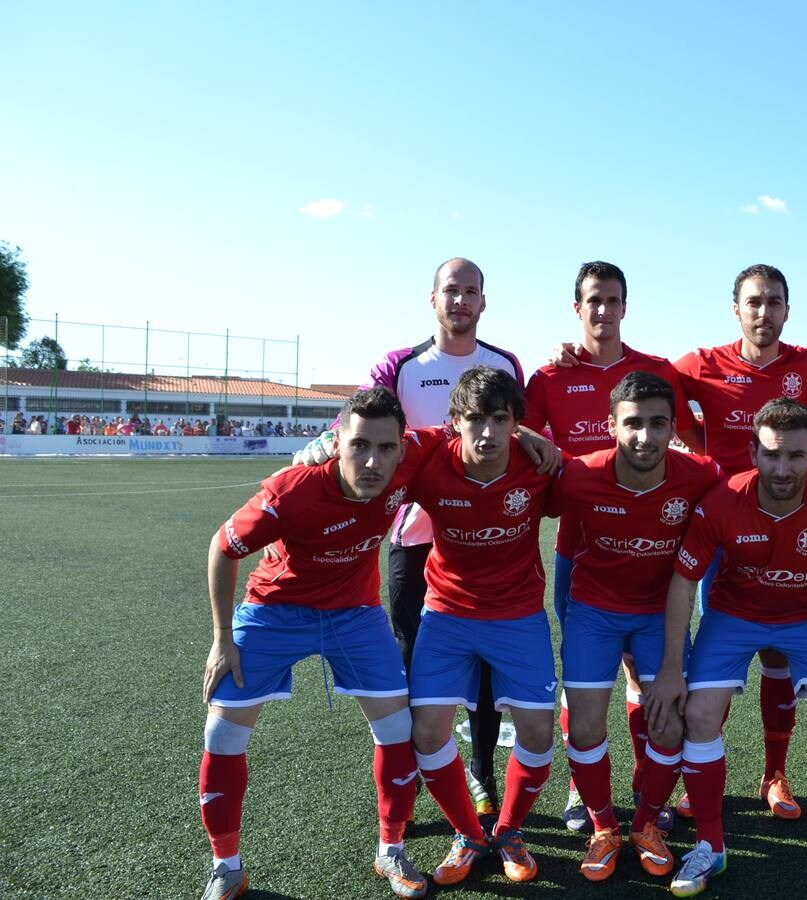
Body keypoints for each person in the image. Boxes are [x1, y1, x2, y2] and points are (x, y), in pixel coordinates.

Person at [297, 256, 558, 816]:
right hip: (414, 534)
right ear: (432, 299)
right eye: (451, 291)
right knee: (414, 657)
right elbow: (356, 421)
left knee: (488, 670)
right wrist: (321, 447)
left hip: (486, 532)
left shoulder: (504, 363)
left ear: (483, 302)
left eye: (471, 292)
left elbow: (519, 421)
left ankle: (484, 774)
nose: (461, 301)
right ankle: (417, 772)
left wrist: (535, 435)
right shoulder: (400, 363)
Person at [197, 387, 429, 900]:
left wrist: (527, 434)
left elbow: (470, 435)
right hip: (274, 613)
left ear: (402, 446)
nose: (373, 461)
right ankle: (226, 867)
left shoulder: (411, 460)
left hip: (356, 614)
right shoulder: (292, 491)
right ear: (336, 441)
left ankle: (391, 850)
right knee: (222, 735)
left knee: (397, 727)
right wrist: (220, 640)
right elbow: (222, 546)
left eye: (386, 448)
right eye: (359, 445)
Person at [646, 398, 807, 900]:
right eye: (772, 454)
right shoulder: (723, 499)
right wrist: (671, 668)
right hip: (734, 616)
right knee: (701, 715)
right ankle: (711, 842)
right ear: (753, 451)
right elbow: (684, 583)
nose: (783, 468)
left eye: (795, 456)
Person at [521, 261, 697, 831]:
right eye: (593, 300)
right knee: (586, 674)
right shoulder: (551, 375)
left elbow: (696, 432)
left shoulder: (656, 371)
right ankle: (581, 790)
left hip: (653, 553)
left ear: (626, 306)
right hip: (581, 551)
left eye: (612, 300)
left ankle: (651, 791)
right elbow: (515, 432)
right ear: (578, 308)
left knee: (645, 677)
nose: (603, 310)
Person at [548, 371, 721, 882]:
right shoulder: (578, 475)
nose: (645, 436)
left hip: (659, 615)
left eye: (657, 424)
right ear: (611, 426)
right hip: (593, 611)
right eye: (633, 424)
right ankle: (604, 826)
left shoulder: (699, 475)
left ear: (673, 428)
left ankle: (646, 824)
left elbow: (746, 491)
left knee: (669, 719)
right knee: (583, 722)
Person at [403, 367, 561, 887]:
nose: (487, 432)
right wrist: (315, 451)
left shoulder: (538, 466)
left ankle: (511, 830)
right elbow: (370, 453)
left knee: (539, 732)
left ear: (517, 422)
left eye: (500, 419)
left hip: (518, 616)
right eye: (475, 419)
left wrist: (550, 447)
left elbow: (599, 481)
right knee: (426, 732)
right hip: (447, 614)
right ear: (455, 422)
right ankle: (469, 833)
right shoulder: (428, 465)